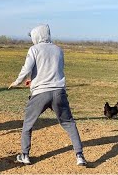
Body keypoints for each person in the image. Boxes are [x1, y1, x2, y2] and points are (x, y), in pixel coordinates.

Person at [8, 24, 87, 166]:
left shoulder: (34, 49)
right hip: (59, 92)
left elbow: (27, 68)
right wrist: (33, 80)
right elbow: (55, 70)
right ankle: (80, 156)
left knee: (28, 124)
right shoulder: (58, 50)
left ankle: (25, 155)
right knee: (69, 123)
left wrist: (17, 82)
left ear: (37, 35)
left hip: (40, 94)